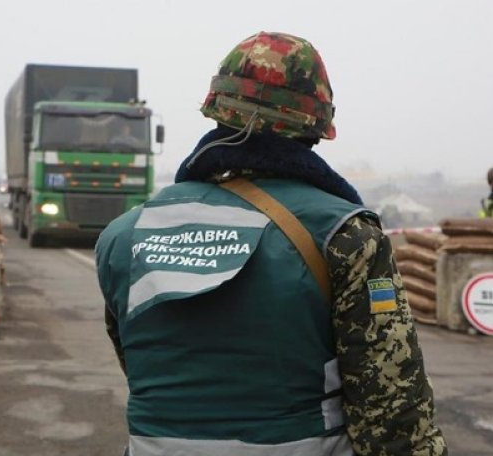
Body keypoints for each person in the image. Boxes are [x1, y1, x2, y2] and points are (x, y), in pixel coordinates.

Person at [95, 31, 447, 455]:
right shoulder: (347, 236)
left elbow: (139, 367)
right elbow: (390, 408)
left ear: (218, 108)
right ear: (315, 124)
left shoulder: (123, 236)